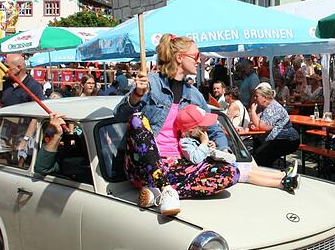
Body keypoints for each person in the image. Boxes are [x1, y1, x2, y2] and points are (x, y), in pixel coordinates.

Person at [114, 34, 232, 214]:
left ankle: (159, 193)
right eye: (196, 56)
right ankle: (166, 189)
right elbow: (120, 115)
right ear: (179, 58)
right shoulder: (151, 82)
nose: (200, 61)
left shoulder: (194, 93)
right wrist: (136, 94)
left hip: (176, 165)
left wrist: (224, 150)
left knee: (231, 172)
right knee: (137, 119)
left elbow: (214, 126)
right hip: (143, 165)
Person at [176, 105, 298, 191]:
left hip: (218, 167)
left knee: (249, 168)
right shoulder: (185, 142)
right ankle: (281, 183)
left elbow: (203, 153)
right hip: (211, 173)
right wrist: (204, 143)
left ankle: (283, 175)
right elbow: (195, 158)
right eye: (203, 128)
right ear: (192, 130)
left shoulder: (196, 139)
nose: (206, 130)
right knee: (248, 175)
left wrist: (209, 145)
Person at [249, 82, 300, 167]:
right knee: (257, 149)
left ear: (264, 97)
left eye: (256, 96)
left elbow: (261, 126)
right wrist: (252, 124)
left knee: (261, 154)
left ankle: (267, 175)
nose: (254, 98)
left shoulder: (273, 108)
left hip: (287, 140)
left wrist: (253, 112)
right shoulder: (263, 107)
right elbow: (255, 123)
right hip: (272, 138)